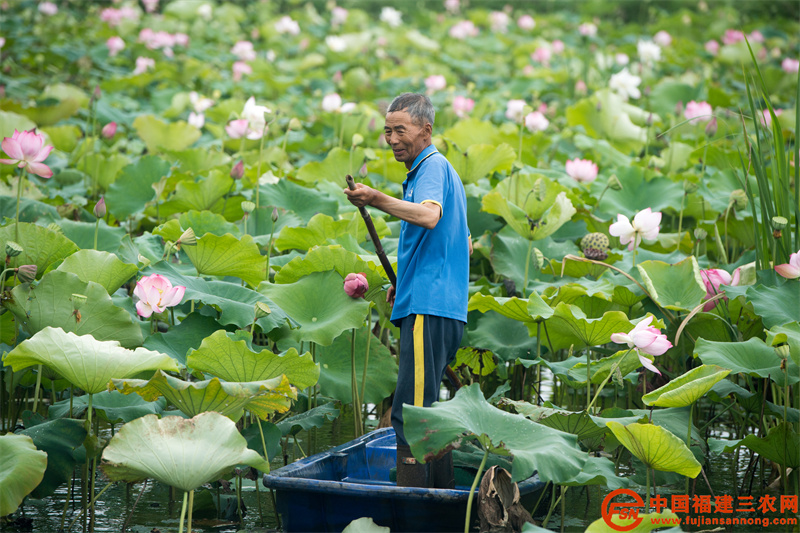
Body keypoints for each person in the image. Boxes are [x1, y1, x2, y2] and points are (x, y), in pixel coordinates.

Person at [344, 93, 471, 488]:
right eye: (387, 130)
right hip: (441, 305)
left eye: (401, 130)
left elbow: (431, 217)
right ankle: (440, 494)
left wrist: (376, 199)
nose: (393, 138)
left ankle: (412, 500)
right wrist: (407, 281)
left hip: (429, 307)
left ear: (426, 130)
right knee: (426, 409)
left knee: (411, 413)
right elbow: (462, 242)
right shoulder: (437, 172)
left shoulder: (432, 166)